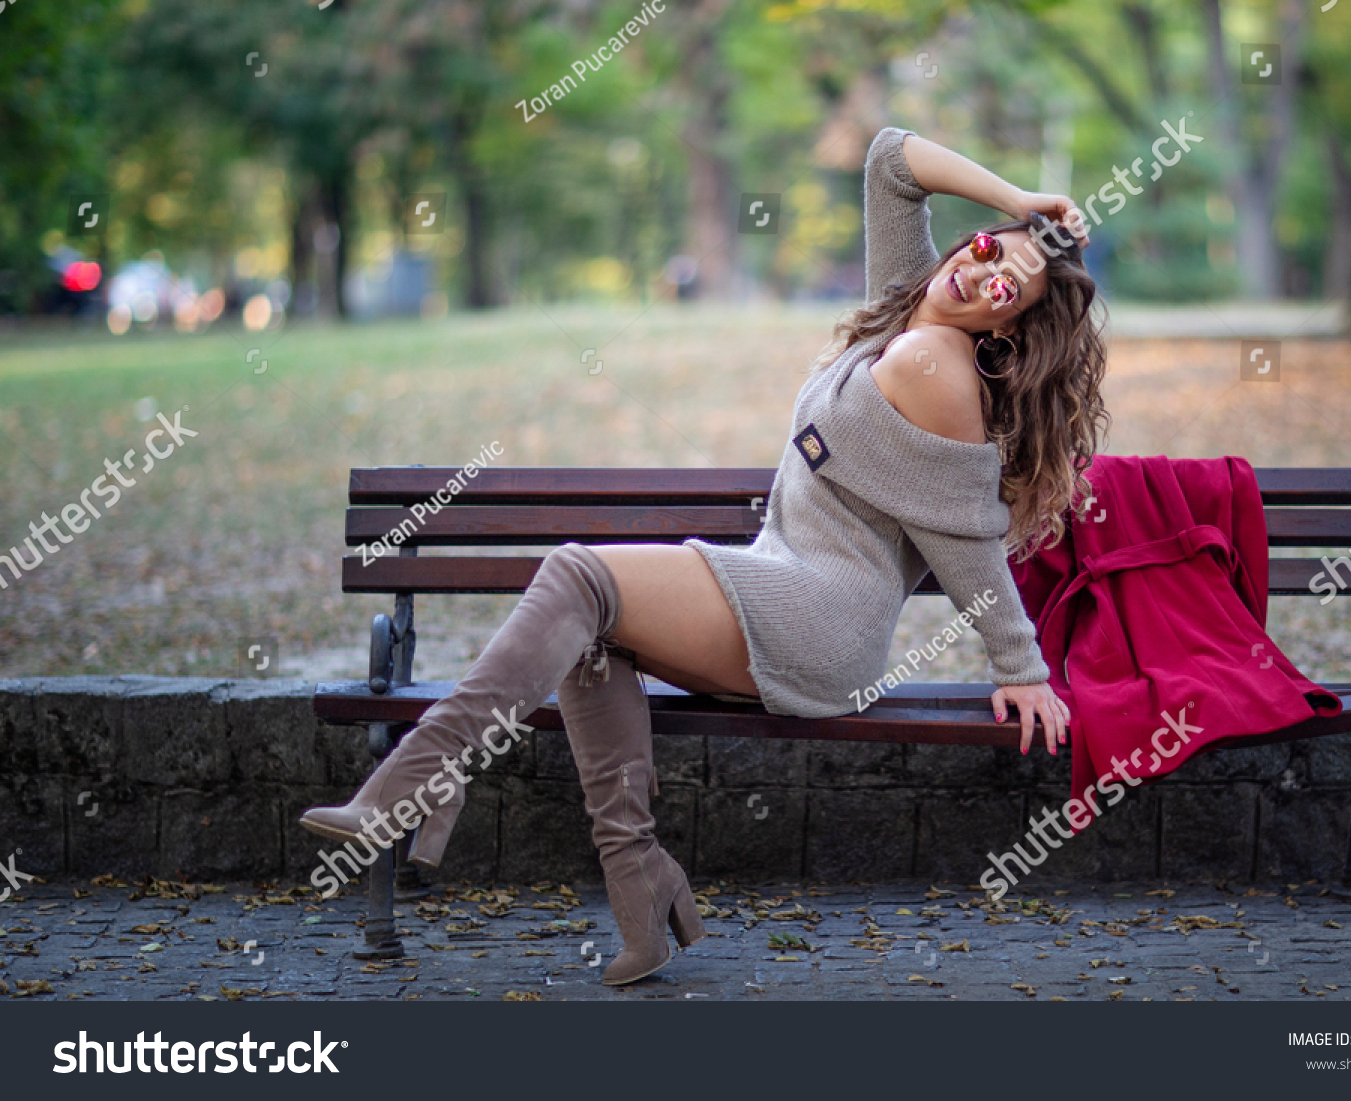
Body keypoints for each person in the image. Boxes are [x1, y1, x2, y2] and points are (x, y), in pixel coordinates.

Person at [299, 127, 1109, 986]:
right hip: (784, 580)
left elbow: (968, 536)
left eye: (1007, 290)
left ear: (1006, 332)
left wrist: (1019, 663)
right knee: (592, 632)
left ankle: (417, 782)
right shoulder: (905, 306)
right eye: (989, 252)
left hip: (822, 620)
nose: (986, 274)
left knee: (579, 575)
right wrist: (1021, 204)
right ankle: (641, 886)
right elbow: (889, 159)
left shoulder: (934, 364)